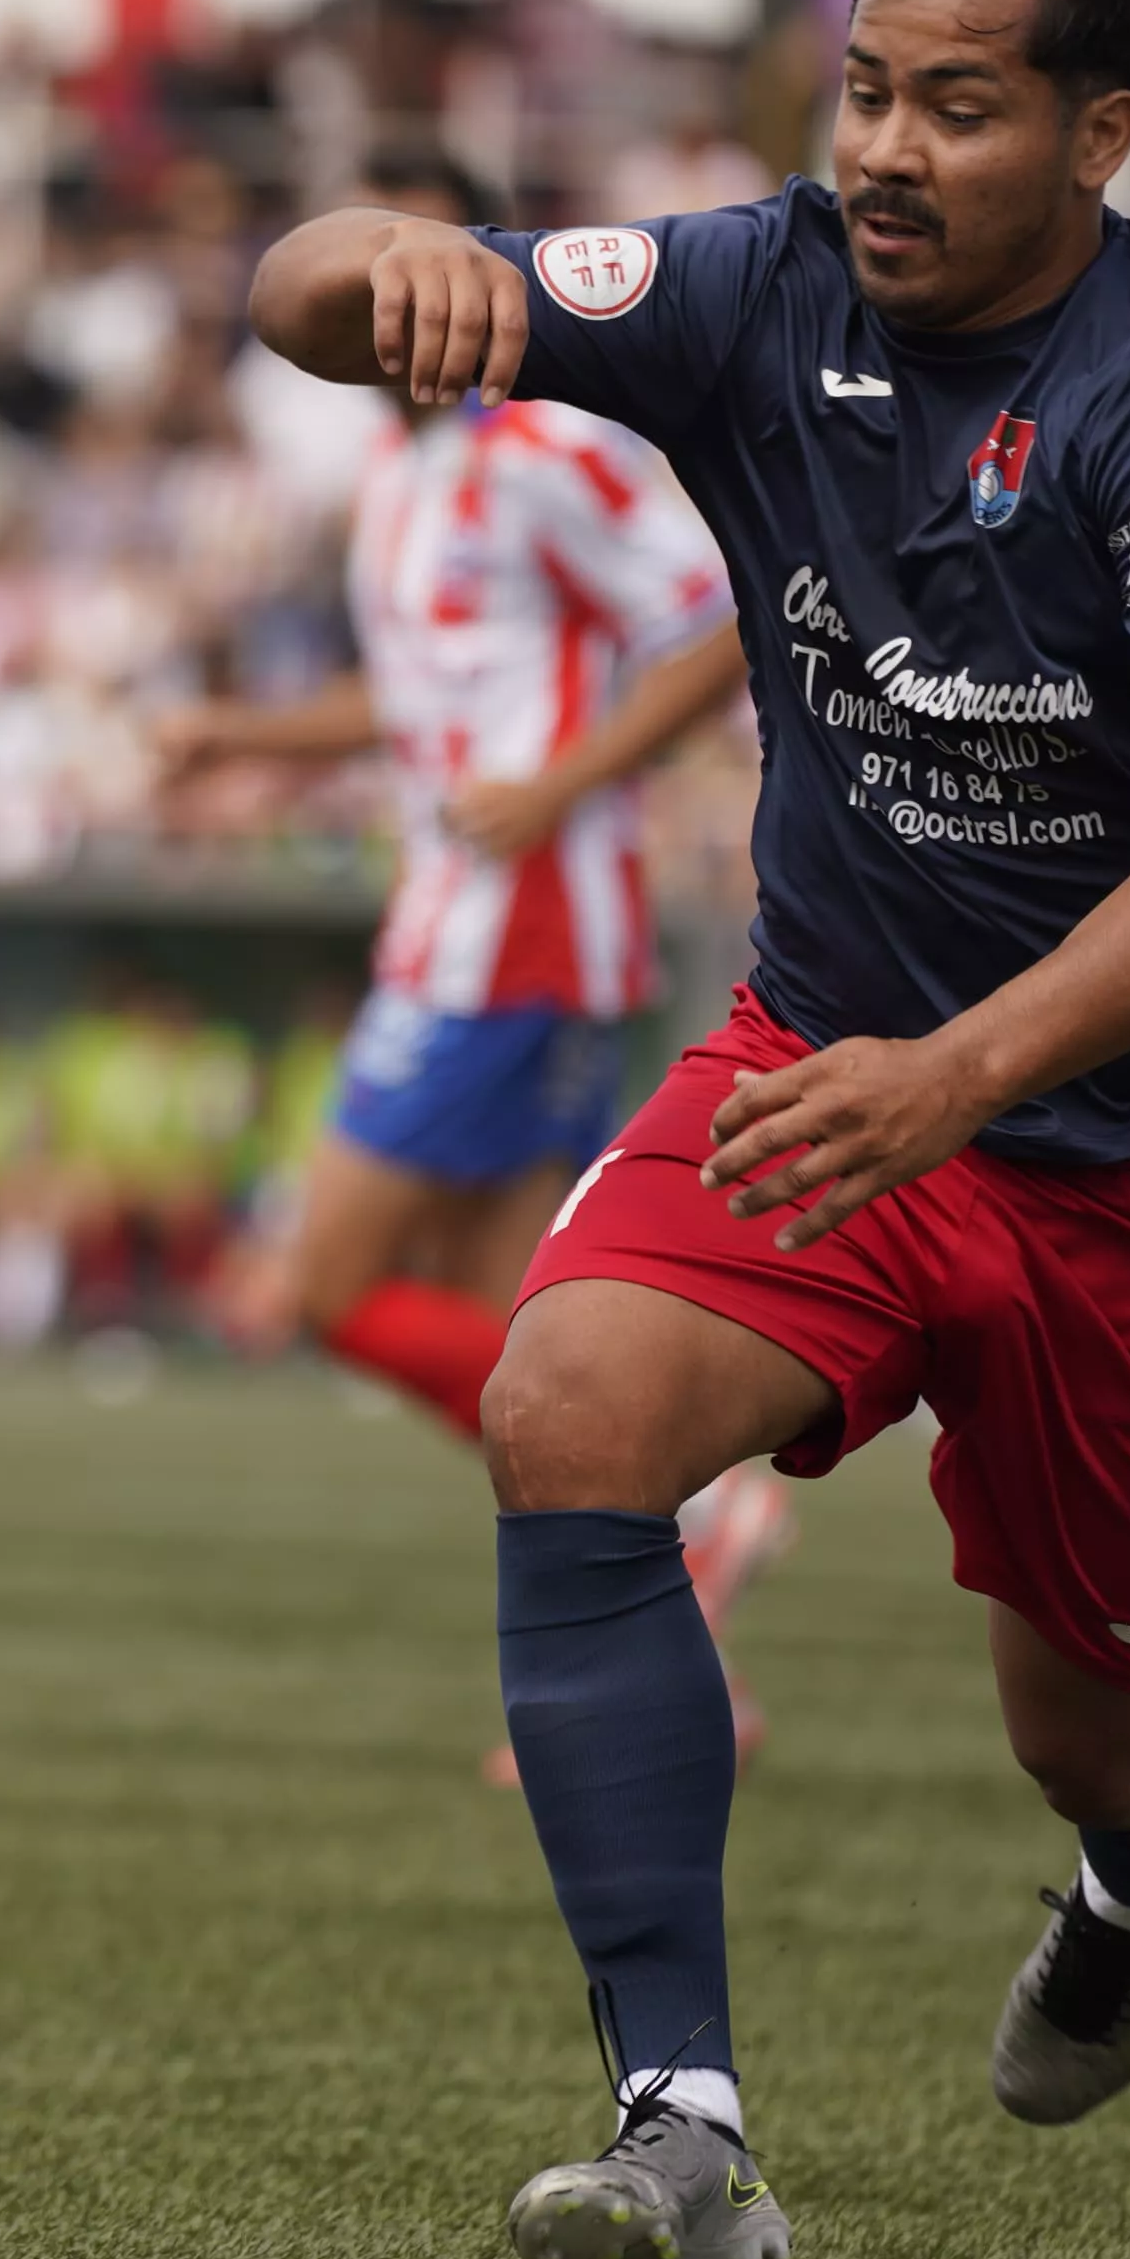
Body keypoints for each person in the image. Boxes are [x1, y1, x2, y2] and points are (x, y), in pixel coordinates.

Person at [247, 0, 1130, 2259]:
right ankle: (683, 2122)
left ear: (1097, 132)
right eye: (863, 88)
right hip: (817, 1062)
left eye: (954, 106)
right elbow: (294, 286)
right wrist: (397, 263)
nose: (881, 146)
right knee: (567, 1401)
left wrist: (955, 1076)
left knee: (1102, 1724)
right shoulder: (757, 287)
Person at [154, 167, 770, 1766]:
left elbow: (730, 621)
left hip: (528, 921)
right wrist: (244, 737)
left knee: (329, 1282)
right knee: (534, 1338)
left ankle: (695, 1506)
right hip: (456, 912)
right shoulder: (407, 471)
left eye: (418, 266)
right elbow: (424, 696)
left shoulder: (551, 448)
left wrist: (568, 781)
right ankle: (646, 1648)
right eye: (368, 278)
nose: (391, 303)